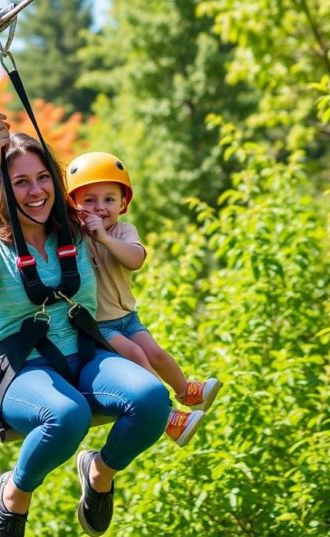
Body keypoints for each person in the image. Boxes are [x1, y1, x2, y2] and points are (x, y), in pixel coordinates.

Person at [0, 113, 170, 536]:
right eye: (20, 182)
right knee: (66, 415)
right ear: (1, 190)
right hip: (22, 370)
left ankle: (99, 472)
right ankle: (15, 491)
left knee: (151, 399)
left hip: (86, 355)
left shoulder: (76, 231)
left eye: (42, 178)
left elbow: (113, 214)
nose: (36, 192)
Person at [66, 152, 221, 446]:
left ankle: (186, 390)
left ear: (123, 203)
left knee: (156, 353)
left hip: (127, 317)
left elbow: (136, 259)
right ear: (74, 205)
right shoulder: (74, 236)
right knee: (136, 356)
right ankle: (168, 418)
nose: (100, 207)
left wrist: (105, 239)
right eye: (90, 200)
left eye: (109, 200)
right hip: (98, 325)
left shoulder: (124, 231)